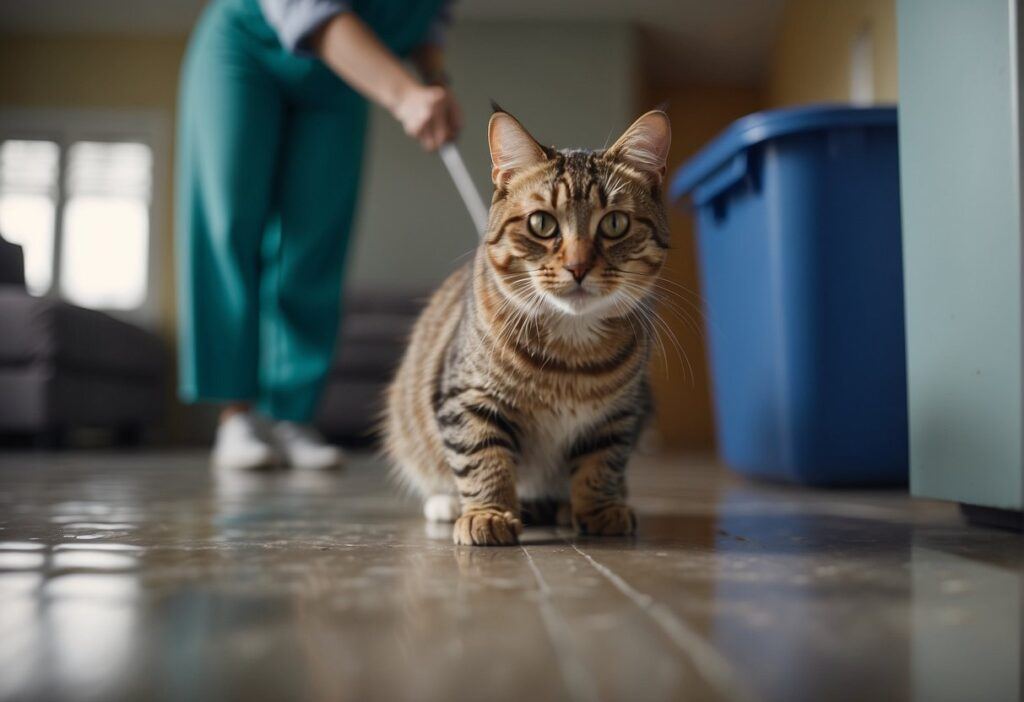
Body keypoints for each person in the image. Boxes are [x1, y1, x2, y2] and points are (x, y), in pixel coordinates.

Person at [176, 0, 461, 470]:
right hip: (247, 46)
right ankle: (236, 417)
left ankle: (293, 417)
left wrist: (434, 79)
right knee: (231, 221)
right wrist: (405, 95)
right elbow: (309, 11)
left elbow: (428, 19)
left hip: (341, 77)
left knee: (318, 239)